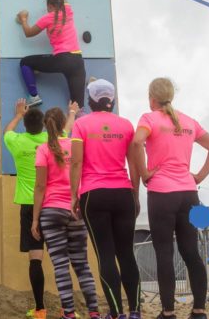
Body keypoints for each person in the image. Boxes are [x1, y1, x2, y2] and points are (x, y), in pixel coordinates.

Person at [131, 78, 209, 319]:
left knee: (164, 253)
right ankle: (200, 311)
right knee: (191, 252)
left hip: (162, 194)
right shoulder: (189, 121)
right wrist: (199, 176)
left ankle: (169, 312)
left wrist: (143, 174)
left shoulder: (149, 118)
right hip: (188, 194)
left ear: (152, 98)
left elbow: (137, 141)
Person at [70, 79, 141, 319]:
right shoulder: (126, 125)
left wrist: (73, 196)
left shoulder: (81, 125)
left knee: (105, 254)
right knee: (126, 253)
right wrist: (135, 194)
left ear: (90, 100)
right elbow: (133, 163)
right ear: (112, 100)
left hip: (94, 195)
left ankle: (116, 313)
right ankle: (136, 312)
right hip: (123, 193)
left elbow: (77, 162)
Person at [32, 104, 99, 319]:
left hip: (51, 211)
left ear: (46, 126)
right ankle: (94, 312)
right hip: (76, 209)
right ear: (64, 125)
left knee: (60, 265)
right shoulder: (76, 145)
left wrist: (35, 220)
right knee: (82, 265)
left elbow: (40, 187)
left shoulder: (43, 149)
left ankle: (68, 314)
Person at [3, 98, 48, 319]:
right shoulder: (52, 141)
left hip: (30, 206)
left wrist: (19, 113)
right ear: (44, 125)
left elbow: (6, 131)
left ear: (26, 126)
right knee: (60, 258)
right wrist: (70, 113)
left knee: (35, 258)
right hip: (52, 203)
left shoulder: (18, 141)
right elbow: (66, 132)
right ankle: (69, 309)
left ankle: (40, 310)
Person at [16, 0, 86, 108]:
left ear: (51, 6)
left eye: (48, 7)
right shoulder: (68, 11)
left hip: (62, 59)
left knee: (25, 62)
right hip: (77, 61)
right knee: (77, 107)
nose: (47, 9)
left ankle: (34, 96)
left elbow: (29, 33)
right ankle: (80, 126)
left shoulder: (48, 17)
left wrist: (23, 19)